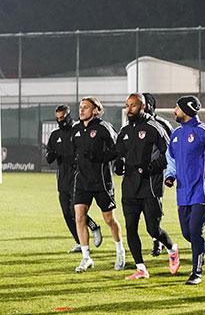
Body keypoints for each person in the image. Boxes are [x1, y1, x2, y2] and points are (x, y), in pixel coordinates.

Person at [115, 93, 180, 280]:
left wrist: (151, 167)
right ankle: (141, 268)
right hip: (129, 187)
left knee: (153, 229)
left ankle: (172, 248)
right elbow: (119, 153)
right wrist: (118, 163)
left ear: (142, 107)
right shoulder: (124, 131)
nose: (129, 109)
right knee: (130, 228)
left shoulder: (154, 127)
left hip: (150, 186)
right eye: (127, 105)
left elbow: (170, 155)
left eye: (133, 105)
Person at [164, 95, 205, 285]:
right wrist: (170, 175)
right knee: (187, 234)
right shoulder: (176, 134)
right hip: (182, 192)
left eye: (177, 108)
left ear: (186, 110)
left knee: (195, 230)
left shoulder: (204, 131)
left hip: (202, 191)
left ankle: (196, 273)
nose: (174, 111)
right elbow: (171, 159)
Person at [71, 96, 125, 273]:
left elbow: (117, 149)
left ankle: (120, 251)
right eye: (81, 107)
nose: (81, 110)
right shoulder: (76, 129)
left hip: (101, 181)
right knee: (79, 217)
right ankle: (86, 258)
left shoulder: (103, 127)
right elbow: (74, 151)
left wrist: (100, 157)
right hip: (82, 181)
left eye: (86, 107)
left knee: (109, 219)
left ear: (95, 110)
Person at [45, 104, 103, 253]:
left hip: (78, 177)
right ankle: (79, 242)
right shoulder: (55, 135)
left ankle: (93, 227)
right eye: (58, 118)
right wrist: (54, 153)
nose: (60, 121)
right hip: (62, 180)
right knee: (67, 213)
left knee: (74, 210)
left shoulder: (78, 131)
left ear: (69, 116)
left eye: (62, 117)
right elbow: (49, 157)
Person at [143, 93, 172, 257]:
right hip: (138, 174)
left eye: (145, 103)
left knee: (154, 204)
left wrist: (170, 171)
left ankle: (157, 239)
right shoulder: (134, 124)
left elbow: (172, 149)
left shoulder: (162, 124)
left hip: (156, 172)